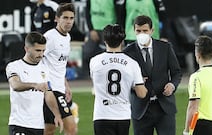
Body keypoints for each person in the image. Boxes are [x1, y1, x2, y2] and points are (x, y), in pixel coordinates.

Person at [123, 15, 182, 135]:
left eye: (145, 31)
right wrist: (135, 85)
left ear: (152, 30)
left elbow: (176, 72)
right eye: (138, 31)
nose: (141, 34)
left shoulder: (165, 47)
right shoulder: (127, 53)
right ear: (133, 30)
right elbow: (123, 80)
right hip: (141, 109)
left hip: (164, 107)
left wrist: (172, 85)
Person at [90, 24, 148, 135]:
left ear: (105, 40)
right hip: (122, 115)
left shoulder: (94, 61)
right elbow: (141, 93)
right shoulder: (132, 63)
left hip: (101, 115)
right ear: (122, 41)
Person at [5, 31, 63, 135]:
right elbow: (15, 85)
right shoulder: (14, 66)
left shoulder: (44, 69)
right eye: (37, 50)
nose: (41, 54)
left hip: (38, 126)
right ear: (27, 49)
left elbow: (48, 94)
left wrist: (57, 114)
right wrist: (35, 85)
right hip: (19, 125)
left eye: (43, 51)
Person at [41, 3, 77, 135]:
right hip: (51, 90)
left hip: (60, 88)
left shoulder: (67, 37)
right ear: (57, 19)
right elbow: (35, 58)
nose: (68, 22)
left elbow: (60, 65)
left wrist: (66, 85)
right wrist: (46, 84)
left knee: (49, 130)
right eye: (65, 18)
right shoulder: (49, 37)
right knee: (71, 128)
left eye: (71, 18)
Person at [82, 0, 124, 77]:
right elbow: (87, 12)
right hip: (94, 29)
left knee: (110, 54)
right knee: (87, 53)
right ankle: (87, 77)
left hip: (109, 29)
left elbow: (119, 13)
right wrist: (91, 29)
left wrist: (115, 30)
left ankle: (111, 75)